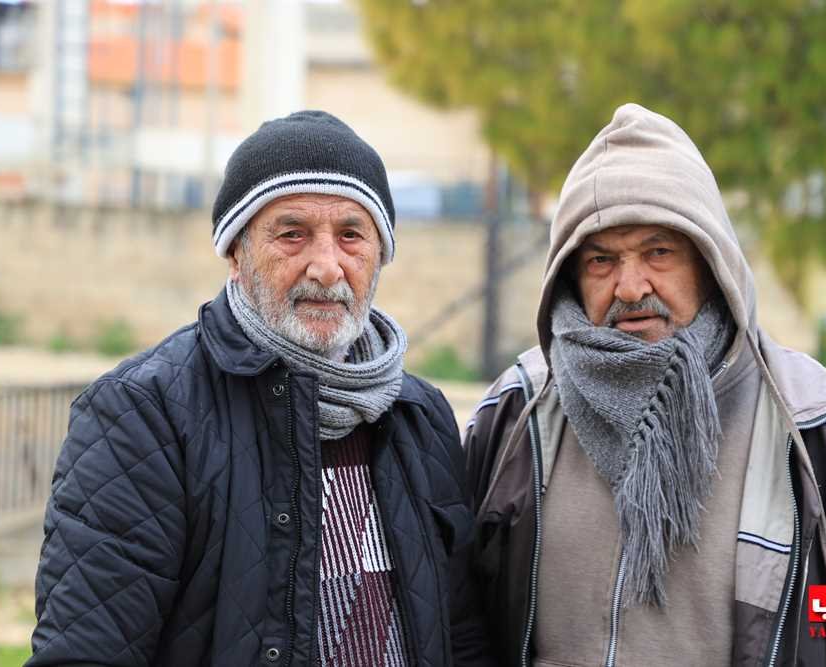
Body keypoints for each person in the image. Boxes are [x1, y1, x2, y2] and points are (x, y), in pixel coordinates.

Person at [464, 104, 826, 666]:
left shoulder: (817, 428)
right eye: (602, 260)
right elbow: (455, 614)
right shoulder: (520, 412)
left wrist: (819, 609)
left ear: (710, 261)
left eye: (659, 252)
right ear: (571, 276)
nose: (629, 286)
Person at [27, 111, 493, 666]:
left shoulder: (420, 416)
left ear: (379, 254)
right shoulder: (142, 416)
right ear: (235, 253)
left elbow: (462, 637)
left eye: (351, 235)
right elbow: (87, 651)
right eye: (292, 234)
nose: (326, 266)